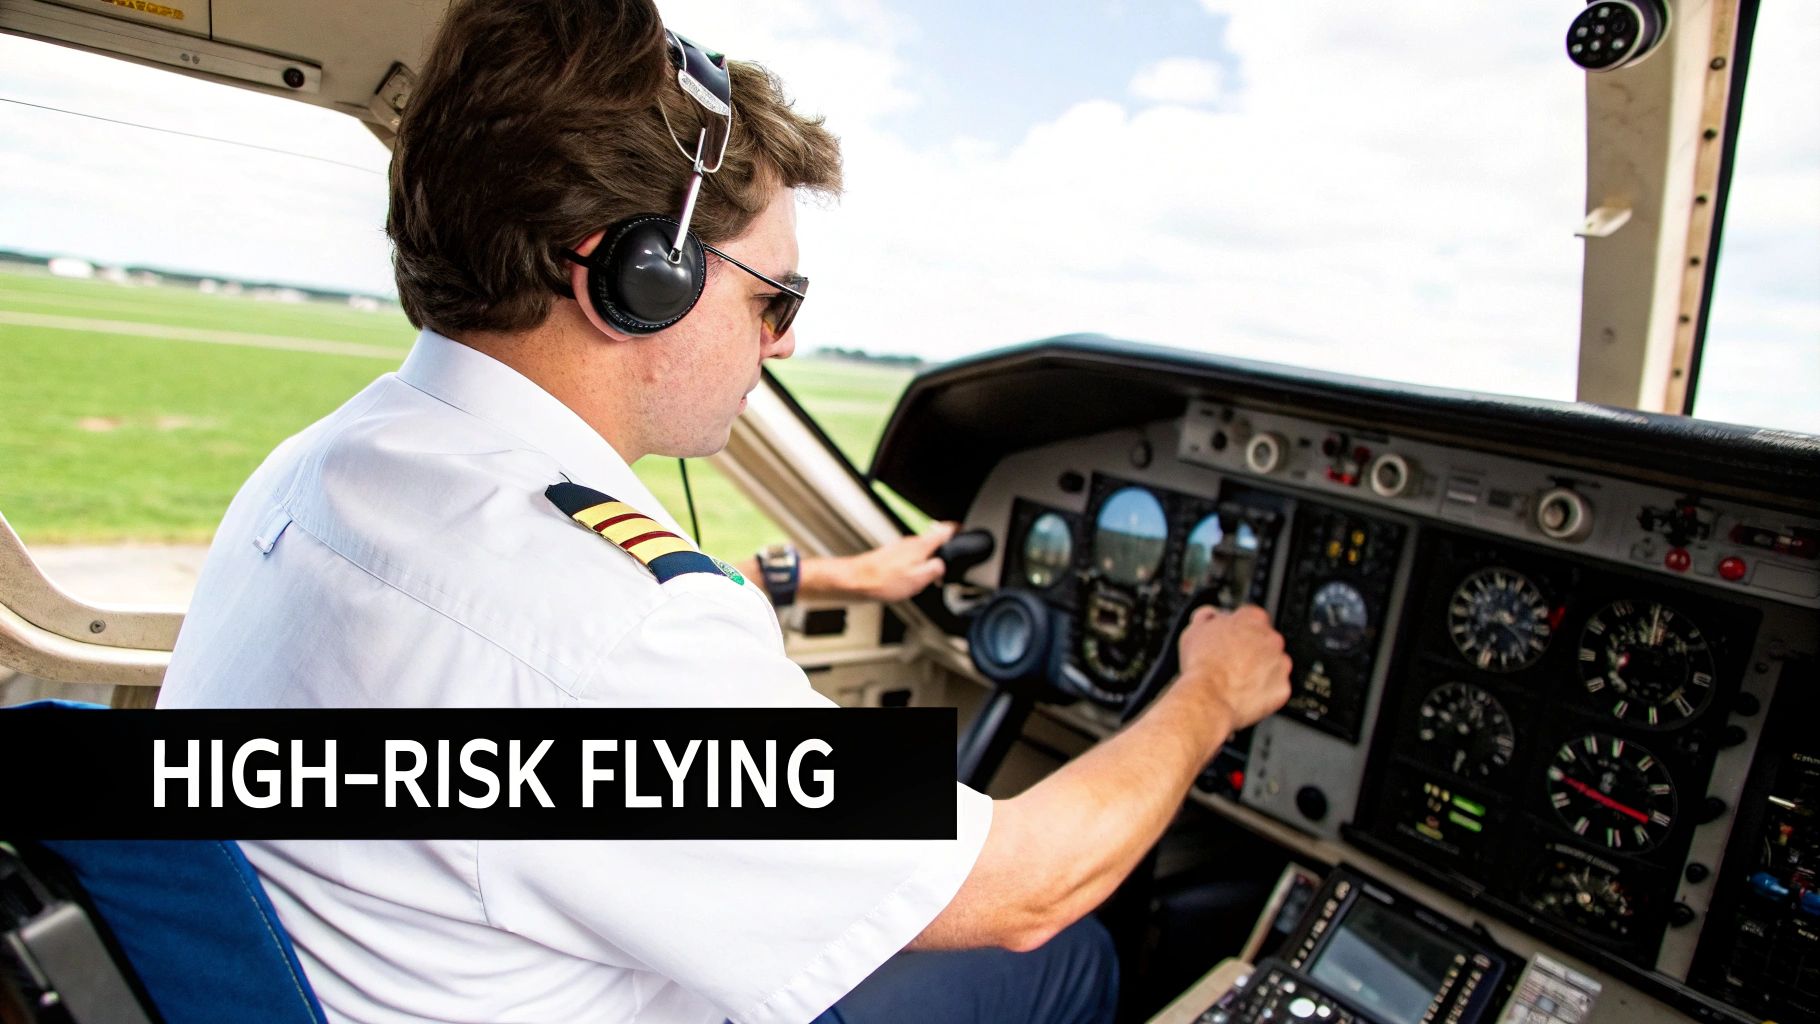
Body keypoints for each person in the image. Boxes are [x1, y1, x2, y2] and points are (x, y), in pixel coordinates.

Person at [155, 3, 1294, 1022]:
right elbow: (1027, 886)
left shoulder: (325, 467)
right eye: (775, 295)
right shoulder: (614, 635)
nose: (785, 339)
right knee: (1069, 960)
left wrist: (830, 578)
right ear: (635, 277)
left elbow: (546, 670)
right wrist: (1210, 692)